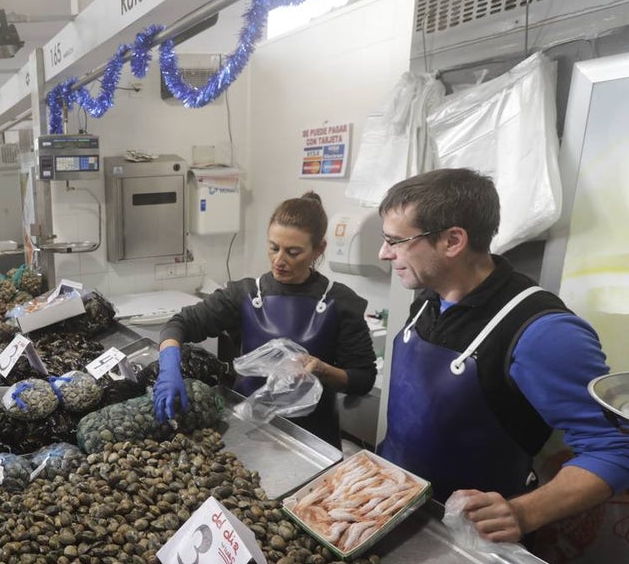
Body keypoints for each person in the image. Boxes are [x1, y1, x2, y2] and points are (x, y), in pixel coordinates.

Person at [374, 168, 629, 541]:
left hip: (466, 537)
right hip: (393, 506)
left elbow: (615, 449)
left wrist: (524, 512)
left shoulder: (544, 333)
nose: (384, 253)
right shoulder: (430, 299)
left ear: (452, 241)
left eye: (396, 241)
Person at [154, 192, 376, 449]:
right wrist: (169, 366)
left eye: (293, 252)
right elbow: (179, 324)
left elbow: (363, 378)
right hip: (246, 429)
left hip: (312, 439)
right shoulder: (245, 294)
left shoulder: (340, 302)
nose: (279, 260)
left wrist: (324, 370)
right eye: (273, 247)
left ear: (319, 249)